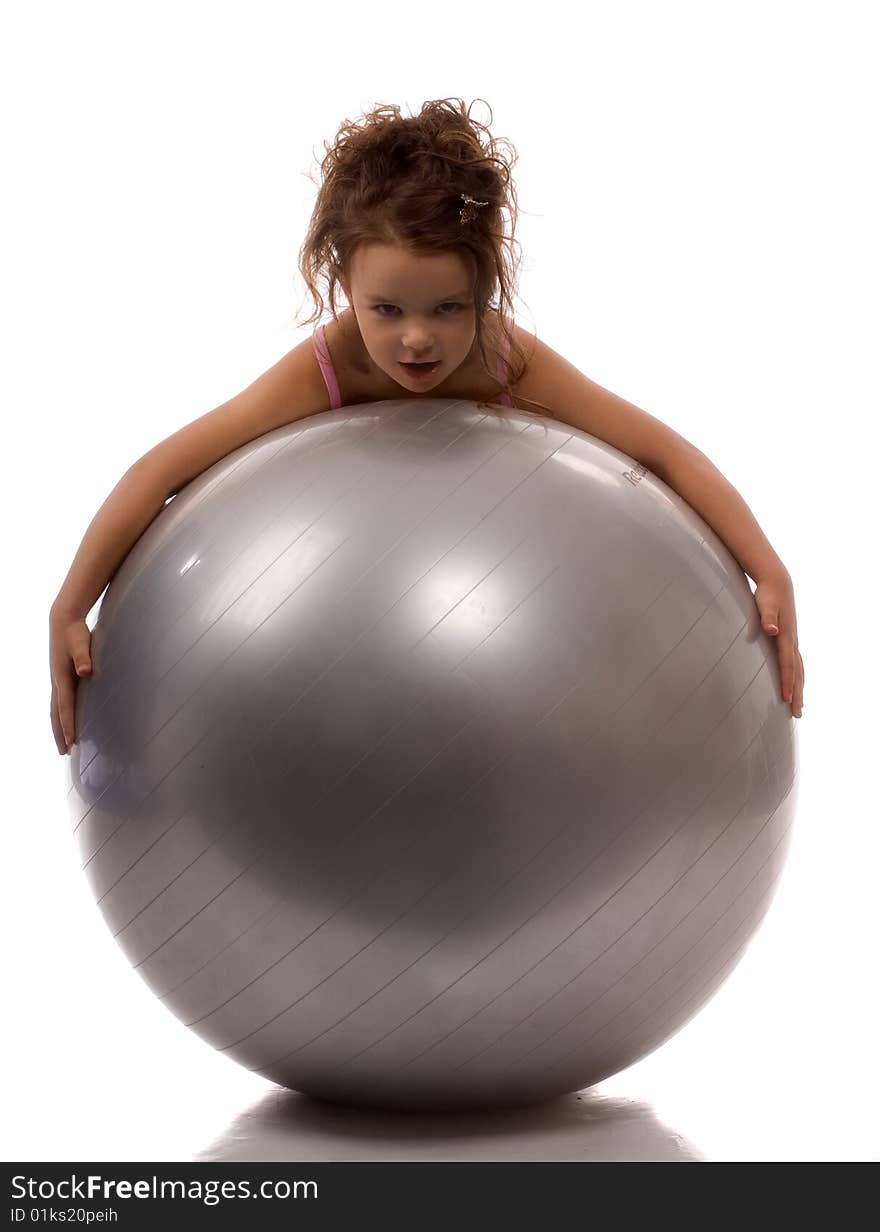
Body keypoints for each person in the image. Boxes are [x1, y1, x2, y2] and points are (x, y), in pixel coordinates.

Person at [48, 98, 804, 755]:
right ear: (342, 283)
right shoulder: (327, 368)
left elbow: (660, 453)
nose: (418, 340)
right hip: (341, 659)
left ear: (485, 287)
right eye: (387, 310)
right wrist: (71, 604)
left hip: (524, 666)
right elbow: (162, 471)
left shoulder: (504, 360)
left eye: (449, 308)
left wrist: (766, 566)